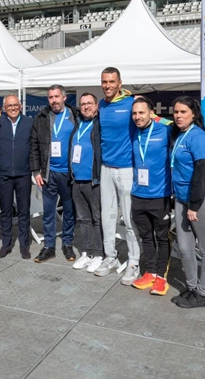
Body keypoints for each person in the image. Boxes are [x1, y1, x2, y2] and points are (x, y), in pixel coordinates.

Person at [96, 67, 172, 283]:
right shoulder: (102, 105)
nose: (107, 86)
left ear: (120, 83)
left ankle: (133, 262)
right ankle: (110, 256)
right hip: (106, 168)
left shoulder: (132, 103)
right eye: (104, 82)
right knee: (107, 217)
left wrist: (178, 127)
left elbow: (156, 119)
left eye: (112, 82)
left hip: (128, 169)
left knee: (130, 220)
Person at [170, 96, 205, 308]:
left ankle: (202, 292)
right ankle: (191, 287)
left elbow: (202, 173)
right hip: (181, 197)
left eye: (183, 112)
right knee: (184, 247)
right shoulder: (179, 134)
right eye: (176, 112)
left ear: (193, 114)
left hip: (201, 199)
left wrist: (194, 205)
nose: (179, 116)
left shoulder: (198, 137)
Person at [129, 97, 173, 295]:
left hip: (160, 194)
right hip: (138, 194)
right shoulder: (134, 132)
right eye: (135, 113)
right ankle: (151, 271)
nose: (138, 117)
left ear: (151, 113)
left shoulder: (166, 130)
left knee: (162, 237)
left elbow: (176, 125)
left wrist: (160, 119)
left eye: (142, 113)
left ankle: (162, 277)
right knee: (146, 236)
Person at [31, 85, 78, 263]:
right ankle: (49, 246)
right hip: (48, 174)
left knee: (68, 211)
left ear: (64, 98)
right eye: (50, 97)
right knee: (49, 212)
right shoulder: (42, 117)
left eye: (57, 96)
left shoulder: (75, 116)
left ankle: (67, 244)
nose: (54, 100)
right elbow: (34, 145)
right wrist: (36, 171)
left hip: (68, 174)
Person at [68, 93, 103, 272]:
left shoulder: (99, 124)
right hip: (77, 180)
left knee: (97, 218)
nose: (86, 107)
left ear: (96, 105)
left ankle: (98, 254)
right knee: (83, 219)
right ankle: (86, 253)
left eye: (90, 103)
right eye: (83, 104)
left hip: (93, 181)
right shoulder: (78, 124)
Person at [0, 95, 33, 260]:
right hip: (3, 174)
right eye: (9, 105)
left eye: (15, 105)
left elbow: (35, 146)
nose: (12, 108)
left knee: (24, 211)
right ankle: (6, 244)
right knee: (6, 211)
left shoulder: (29, 122)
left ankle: (24, 246)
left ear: (20, 106)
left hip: (23, 173)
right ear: (4, 108)